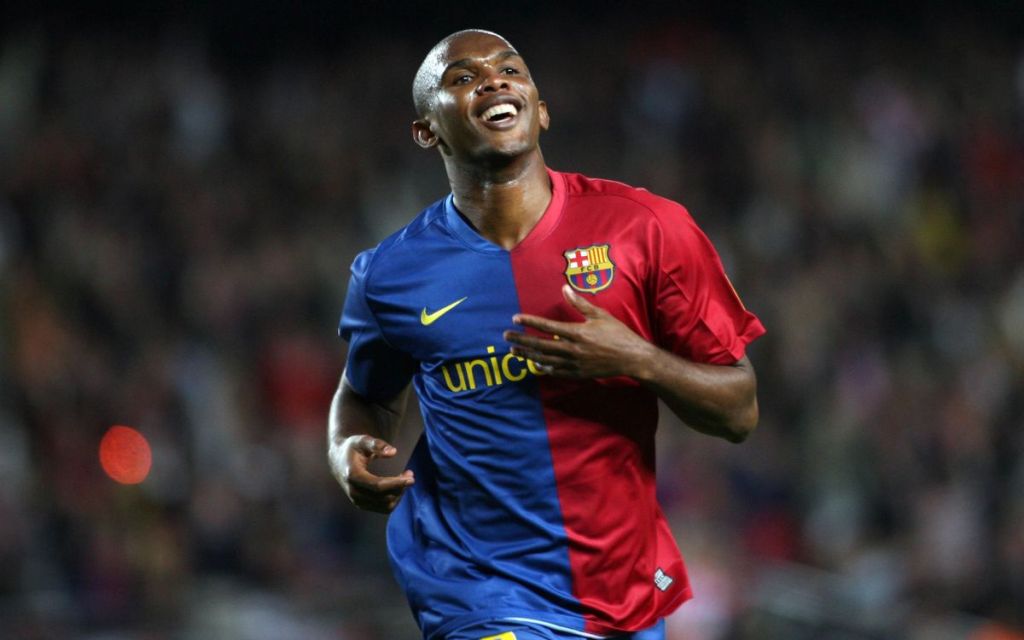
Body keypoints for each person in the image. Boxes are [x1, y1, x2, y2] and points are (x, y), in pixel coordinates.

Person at [328, 28, 765, 640]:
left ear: (541, 108)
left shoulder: (647, 229)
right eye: (463, 77)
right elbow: (365, 395)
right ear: (427, 131)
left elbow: (739, 411)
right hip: (477, 587)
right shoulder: (390, 274)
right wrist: (344, 449)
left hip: (624, 593)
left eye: (510, 70)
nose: (494, 81)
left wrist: (640, 359)